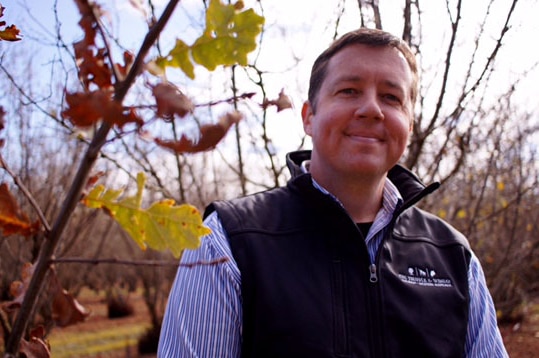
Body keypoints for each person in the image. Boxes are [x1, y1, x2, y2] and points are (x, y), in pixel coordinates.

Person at [158, 28, 508, 357]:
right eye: (349, 91)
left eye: (391, 97)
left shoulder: (454, 256)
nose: (371, 108)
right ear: (309, 117)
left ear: (409, 125)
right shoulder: (229, 240)